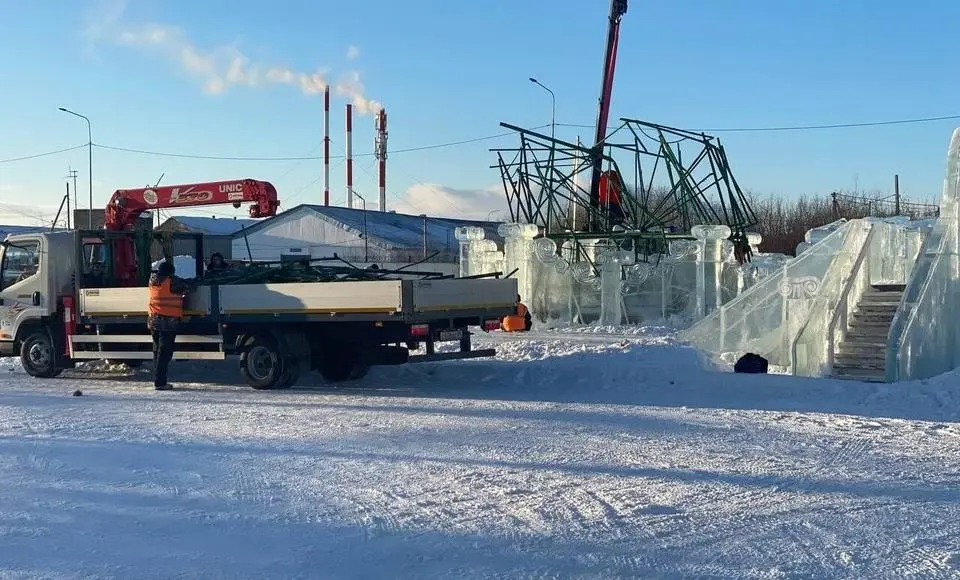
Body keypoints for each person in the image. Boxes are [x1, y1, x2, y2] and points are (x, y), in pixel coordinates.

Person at [147, 260, 191, 390]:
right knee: (164, 353)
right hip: (168, 322)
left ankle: (157, 379)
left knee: (157, 351)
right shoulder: (172, 282)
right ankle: (160, 382)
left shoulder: (152, 281)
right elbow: (188, 286)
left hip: (154, 320)